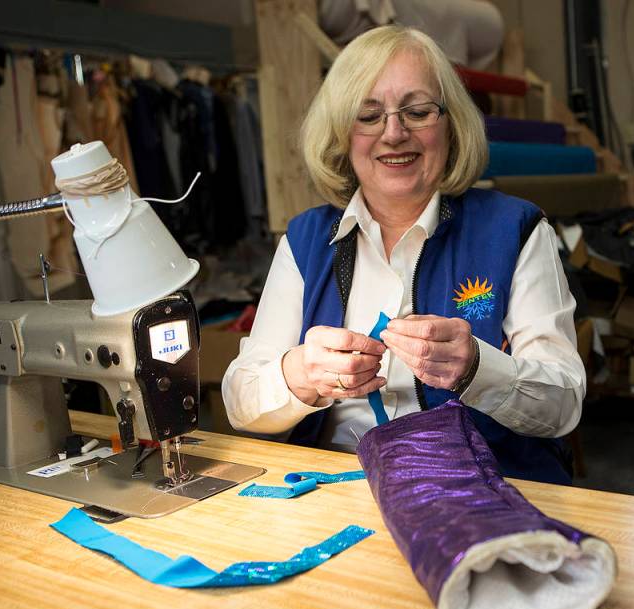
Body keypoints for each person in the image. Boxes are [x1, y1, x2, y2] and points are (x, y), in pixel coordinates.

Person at [222, 25, 585, 484]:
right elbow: (239, 403)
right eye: (368, 116)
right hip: (335, 495)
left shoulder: (514, 230)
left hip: (481, 493)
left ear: (451, 124)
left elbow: (565, 401)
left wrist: (477, 367)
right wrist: (300, 375)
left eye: (417, 111)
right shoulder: (304, 240)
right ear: (341, 133)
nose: (394, 134)